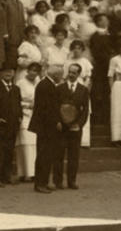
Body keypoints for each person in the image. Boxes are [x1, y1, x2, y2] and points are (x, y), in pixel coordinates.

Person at [29, 63, 65, 193]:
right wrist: (56, 121)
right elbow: (47, 108)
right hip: (46, 127)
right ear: (55, 75)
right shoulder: (46, 86)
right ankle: (40, 183)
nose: (62, 77)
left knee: (46, 155)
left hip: (46, 126)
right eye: (60, 75)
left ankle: (43, 181)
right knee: (44, 155)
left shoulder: (47, 85)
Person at [56, 61, 89, 190]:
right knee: (58, 155)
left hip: (75, 128)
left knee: (73, 156)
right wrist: (58, 122)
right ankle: (58, 181)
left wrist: (79, 125)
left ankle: (72, 181)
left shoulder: (83, 90)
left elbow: (85, 110)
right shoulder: (60, 88)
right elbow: (55, 107)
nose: (71, 75)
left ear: (79, 74)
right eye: (69, 72)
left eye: (74, 73)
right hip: (61, 128)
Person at [14, 61, 40, 182]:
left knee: (34, 144)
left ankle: (33, 172)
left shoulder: (38, 82)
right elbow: (15, 100)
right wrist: (27, 105)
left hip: (35, 116)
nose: (33, 73)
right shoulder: (20, 83)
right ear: (27, 70)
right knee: (24, 144)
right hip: (24, 115)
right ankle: (24, 173)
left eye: (36, 71)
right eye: (32, 70)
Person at [1, 0, 26, 68]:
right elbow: (4, 19)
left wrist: (23, 35)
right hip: (11, 33)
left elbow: (22, 20)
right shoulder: (7, 3)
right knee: (10, 56)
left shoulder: (20, 4)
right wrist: (5, 33)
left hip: (19, 35)